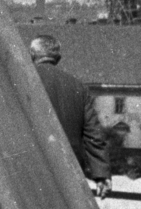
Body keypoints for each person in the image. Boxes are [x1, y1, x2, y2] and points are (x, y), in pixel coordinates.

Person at [29, 36, 111, 198]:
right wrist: (101, 174)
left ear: (32, 55)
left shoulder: (23, 80)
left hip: (32, 168)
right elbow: (93, 133)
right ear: (58, 58)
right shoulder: (77, 86)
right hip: (70, 168)